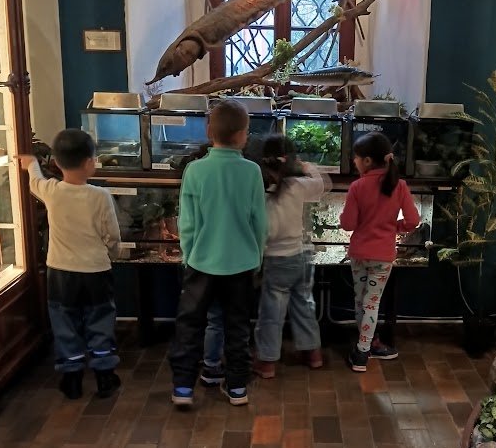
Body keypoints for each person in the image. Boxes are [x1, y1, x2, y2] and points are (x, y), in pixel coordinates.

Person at [168, 97, 266, 406]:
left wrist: (189, 255)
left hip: (201, 263)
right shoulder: (252, 171)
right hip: (241, 264)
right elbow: (259, 222)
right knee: (238, 326)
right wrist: (257, 257)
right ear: (240, 135)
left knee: (190, 325)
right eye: (247, 131)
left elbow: (187, 222)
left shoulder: (195, 171)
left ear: (210, 132)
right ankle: (237, 387)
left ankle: (183, 388)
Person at [19, 130, 121, 400]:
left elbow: (35, 182)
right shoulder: (100, 196)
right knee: (100, 319)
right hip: (96, 271)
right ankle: (104, 375)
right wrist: (114, 253)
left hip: (60, 272)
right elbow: (112, 234)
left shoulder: (52, 191)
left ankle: (72, 378)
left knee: (64, 321)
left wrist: (31, 163)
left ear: (56, 162)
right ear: (89, 163)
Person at [339, 132, 420, 372]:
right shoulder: (400, 186)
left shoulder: (357, 186)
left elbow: (348, 224)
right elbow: (413, 220)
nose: (354, 161)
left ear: (366, 160)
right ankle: (365, 349)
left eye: (355, 157)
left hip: (359, 254)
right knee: (372, 303)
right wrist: (394, 227)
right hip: (383, 256)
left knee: (360, 301)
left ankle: (362, 351)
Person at [253, 134, 327, 378]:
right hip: (301, 257)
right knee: (304, 305)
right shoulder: (298, 185)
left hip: (276, 260)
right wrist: (307, 166)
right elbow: (321, 184)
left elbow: (264, 231)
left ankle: (267, 362)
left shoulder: (262, 192)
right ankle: (314, 354)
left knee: (272, 313)